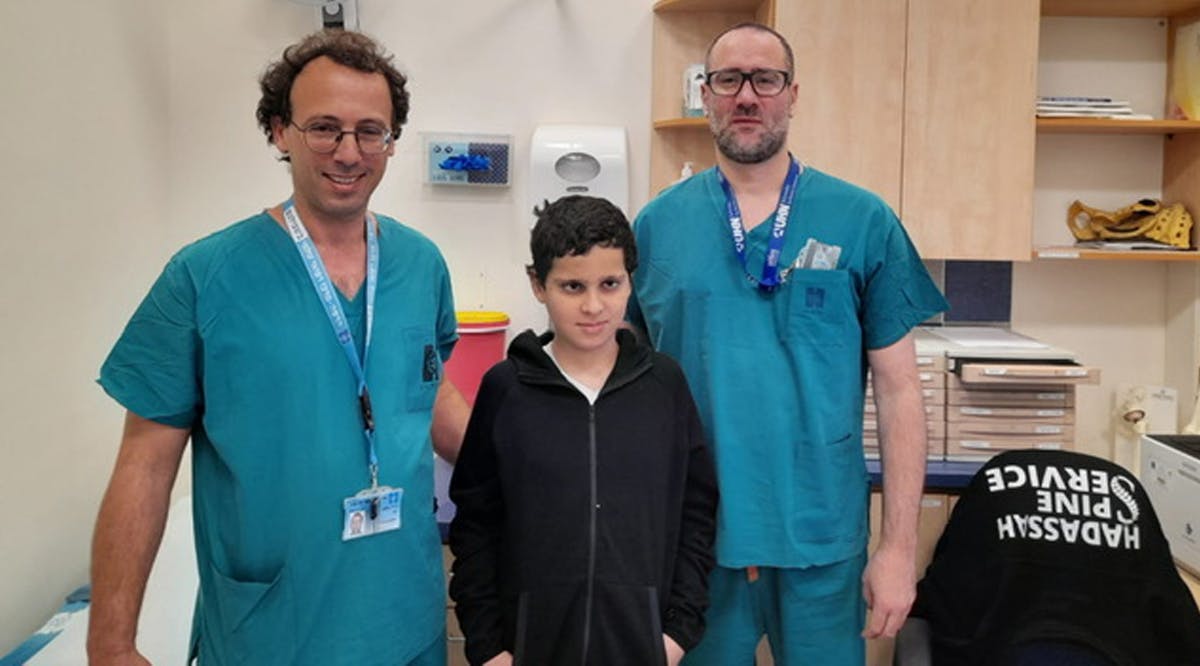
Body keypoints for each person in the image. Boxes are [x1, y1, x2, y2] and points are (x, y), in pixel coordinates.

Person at [87, 30, 470, 665]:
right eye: (324, 127)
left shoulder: (420, 265)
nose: (348, 152)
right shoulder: (205, 277)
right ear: (278, 131)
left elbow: (424, 394)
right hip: (270, 631)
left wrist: (538, 461)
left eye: (369, 131)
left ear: (391, 141)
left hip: (406, 622)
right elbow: (146, 465)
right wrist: (110, 643)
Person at [627, 22, 950, 665]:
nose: (747, 96)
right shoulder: (657, 226)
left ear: (792, 93)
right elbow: (624, 390)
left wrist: (897, 549)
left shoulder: (862, 219)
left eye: (765, 79)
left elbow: (899, 389)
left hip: (821, 539)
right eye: (728, 80)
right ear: (707, 93)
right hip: (696, 541)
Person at [448, 195, 719, 666]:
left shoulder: (664, 385)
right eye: (572, 286)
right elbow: (475, 524)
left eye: (610, 284)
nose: (594, 306)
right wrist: (489, 646)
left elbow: (696, 514)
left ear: (631, 282)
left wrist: (677, 631)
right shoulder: (506, 389)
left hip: (642, 646)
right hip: (530, 647)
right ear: (538, 284)